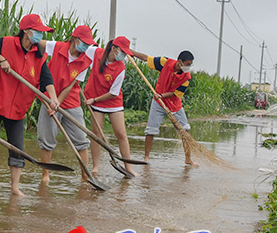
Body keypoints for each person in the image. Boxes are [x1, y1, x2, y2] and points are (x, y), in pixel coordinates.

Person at [0, 14, 59, 196]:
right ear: (27, 31)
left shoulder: (39, 55)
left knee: (17, 149)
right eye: (38, 31)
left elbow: (46, 79)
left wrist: (53, 99)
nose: (40, 35)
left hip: (18, 109)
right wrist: (1, 59)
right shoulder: (7, 43)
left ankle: (15, 187)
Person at [37, 25, 98, 184]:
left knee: (80, 139)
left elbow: (71, 86)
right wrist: (50, 101)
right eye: (84, 42)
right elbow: (37, 43)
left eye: (88, 44)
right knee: (47, 139)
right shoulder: (56, 47)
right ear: (75, 39)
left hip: (70, 101)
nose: (86, 46)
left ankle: (85, 177)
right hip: (47, 96)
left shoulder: (86, 61)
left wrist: (57, 103)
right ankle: (46, 175)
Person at [129, 48, 196, 166]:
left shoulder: (186, 78)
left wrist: (162, 95)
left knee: (185, 130)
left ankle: (188, 158)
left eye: (190, 65)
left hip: (174, 104)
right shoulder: (165, 62)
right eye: (187, 64)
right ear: (180, 61)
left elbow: (176, 93)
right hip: (158, 103)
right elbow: (146, 58)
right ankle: (146, 157)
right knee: (150, 130)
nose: (189, 67)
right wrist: (131, 52)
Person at [83, 36, 136, 176]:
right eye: (122, 52)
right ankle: (95, 167)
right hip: (95, 100)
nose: (123, 56)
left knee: (121, 134)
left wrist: (94, 99)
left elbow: (113, 93)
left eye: (125, 53)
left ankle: (128, 167)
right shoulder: (95, 53)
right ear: (114, 49)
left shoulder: (121, 68)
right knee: (97, 135)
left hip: (112, 102)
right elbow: (78, 53)